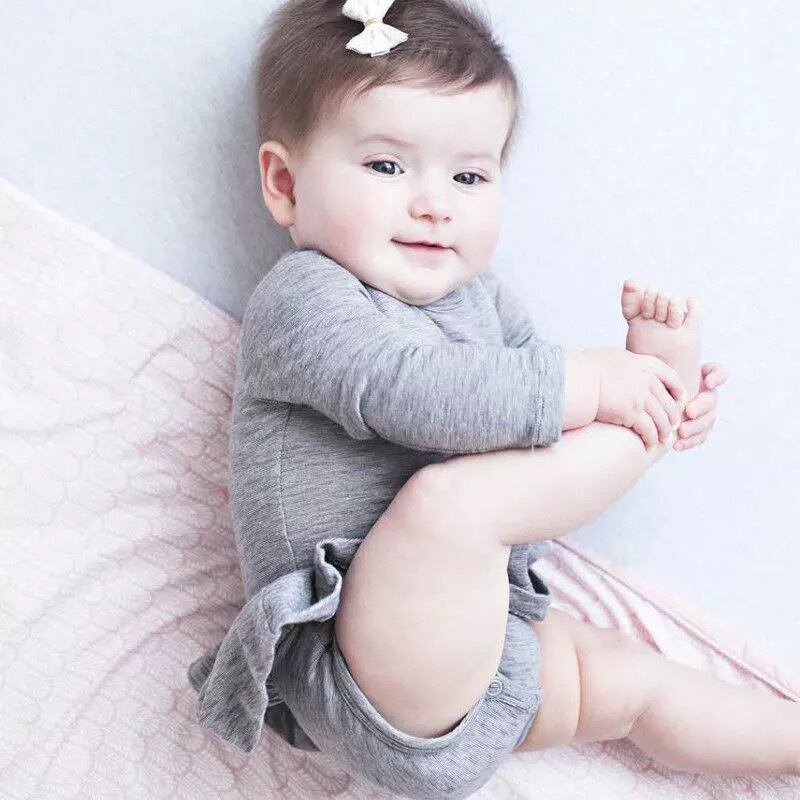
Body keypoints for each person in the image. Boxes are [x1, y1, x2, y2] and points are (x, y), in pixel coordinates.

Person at [187, 2, 796, 798]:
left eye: (469, 176)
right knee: (449, 503)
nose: (435, 203)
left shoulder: (485, 301)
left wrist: (631, 396)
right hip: (362, 667)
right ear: (284, 184)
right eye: (387, 167)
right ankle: (650, 430)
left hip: (481, 644)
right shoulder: (305, 297)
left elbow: (536, 435)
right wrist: (598, 385)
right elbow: (410, 391)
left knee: (640, 683)